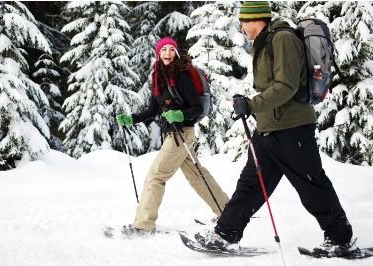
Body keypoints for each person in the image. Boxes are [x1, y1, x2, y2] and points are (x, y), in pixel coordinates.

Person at [194, 1, 357, 257]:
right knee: (251, 184)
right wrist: (249, 103)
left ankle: (340, 238)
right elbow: (272, 86)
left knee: (311, 184)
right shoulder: (265, 43)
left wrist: (251, 104)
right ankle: (226, 234)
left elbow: (286, 86)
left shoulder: (282, 39)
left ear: (258, 19)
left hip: (293, 128)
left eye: (244, 21)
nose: (242, 26)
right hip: (269, 128)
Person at [116, 37, 229, 235]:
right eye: (163, 50)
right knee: (197, 175)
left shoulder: (182, 75)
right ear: (158, 54)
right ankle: (227, 211)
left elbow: (197, 107)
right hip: (175, 134)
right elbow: (153, 109)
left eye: (171, 49)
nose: (167, 53)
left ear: (175, 52)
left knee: (156, 176)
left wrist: (179, 114)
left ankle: (143, 225)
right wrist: (132, 119)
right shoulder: (157, 77)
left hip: (181, 133)